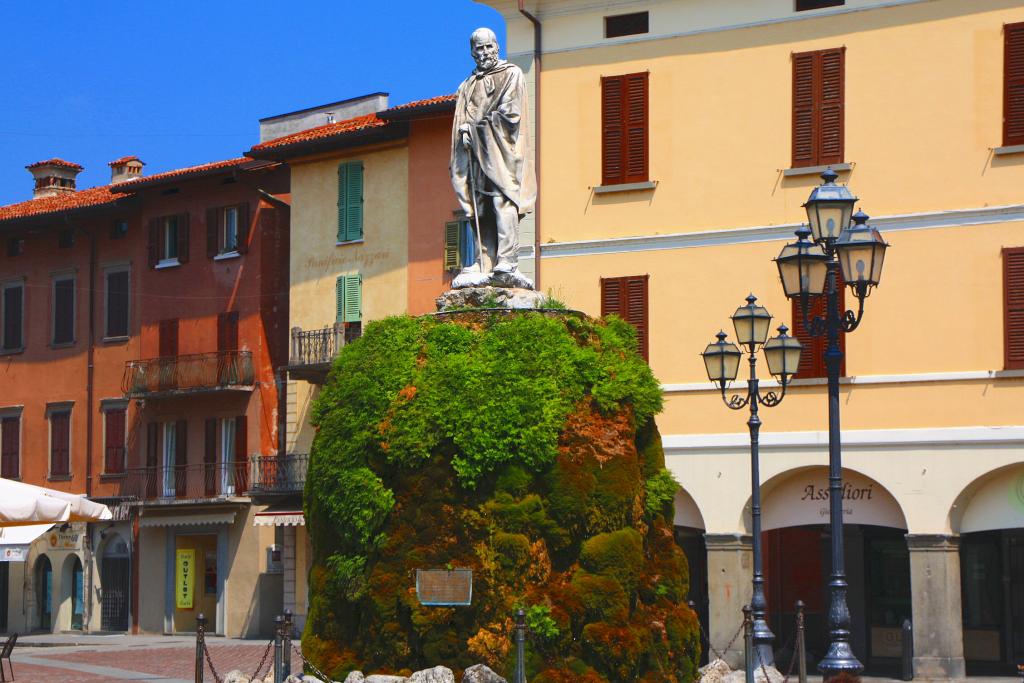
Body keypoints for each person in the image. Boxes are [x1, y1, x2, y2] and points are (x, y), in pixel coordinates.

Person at [450, 27, 537, 287]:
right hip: (476, 155)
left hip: (502, 151)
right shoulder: (467, 85)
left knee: (503, 201)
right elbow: (460, 119)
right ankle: (483, 260)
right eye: (479, 48)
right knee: (480, 207)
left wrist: (475, 130)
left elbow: (511, 114)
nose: (485, 52)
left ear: (496, 47)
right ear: (472, 52)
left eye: (489, 46)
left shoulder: (511, 74)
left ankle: (507, 260)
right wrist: (465, 133)